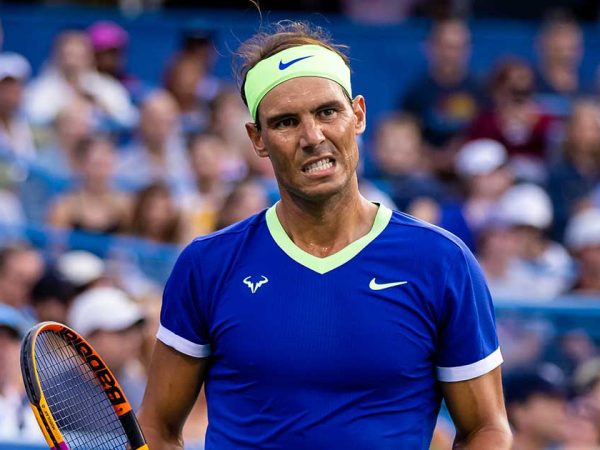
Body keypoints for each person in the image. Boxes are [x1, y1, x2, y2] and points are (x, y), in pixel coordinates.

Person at [138, 21, 512, 449]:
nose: (312, 137)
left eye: (327, 112)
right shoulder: (207, 265)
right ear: (257, 139)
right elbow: (157, 427)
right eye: (286, 122)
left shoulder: (442, 262)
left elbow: (486, 428)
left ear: (359, 114)